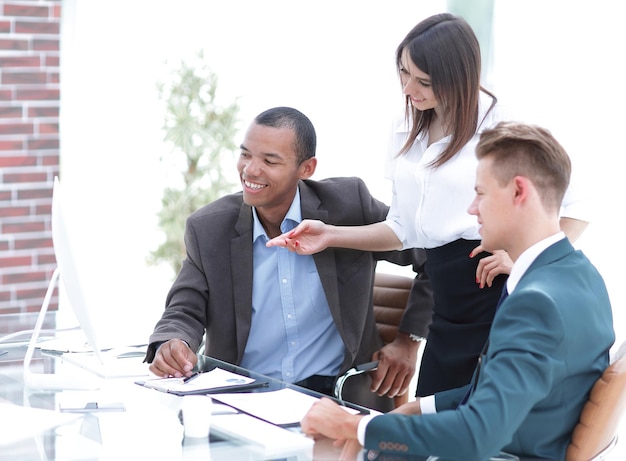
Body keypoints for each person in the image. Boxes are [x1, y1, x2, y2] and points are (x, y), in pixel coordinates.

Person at [268, 13, 590, 396]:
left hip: (496, 291)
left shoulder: (502, 123)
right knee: (435, 419)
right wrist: (330, 235)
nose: (408, 88)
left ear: (458, 77)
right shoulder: (406, 122)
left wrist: (522, 260)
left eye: (423, 81)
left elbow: (577, 208)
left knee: (483, 426)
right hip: (446, 297)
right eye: (403, 73)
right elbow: (404, 229)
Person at [299, 121, 615, 461]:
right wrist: (420, 407)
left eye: (479, 193)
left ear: (518, 192)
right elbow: (505, 392)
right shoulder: (578, 274)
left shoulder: (535, 303)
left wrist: (356, 428)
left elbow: (477, 437)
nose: (471, 209)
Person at [144, 106, 433, 412]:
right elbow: (185, 306)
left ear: (306, 168)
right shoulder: (209, 228)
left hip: (337, 398)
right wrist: (172, 341)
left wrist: (409, 341)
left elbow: (433, 256)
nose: (251, 170)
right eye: (245, 154)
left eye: (270, 160)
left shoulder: (349, 206)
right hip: (244, 399)